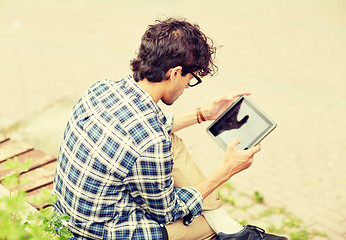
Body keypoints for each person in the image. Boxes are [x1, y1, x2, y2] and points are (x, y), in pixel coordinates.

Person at [52, 17, 287, 240]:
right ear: (175, 73)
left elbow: (153, 126)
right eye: (191, 79)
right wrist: (226, 170)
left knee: (171, 140)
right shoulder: (152, 141)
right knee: (209, 227)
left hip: (69, 214)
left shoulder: (101, 88)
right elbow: (169, 211)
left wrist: (204, 114)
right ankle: (227, 227)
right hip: (99, 233)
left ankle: (222, 220)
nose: (187, 86)